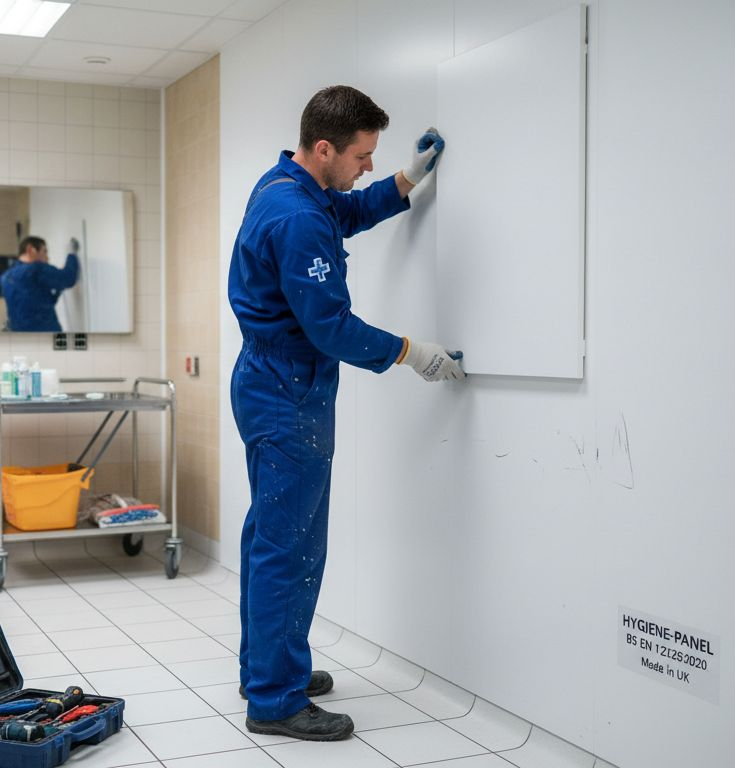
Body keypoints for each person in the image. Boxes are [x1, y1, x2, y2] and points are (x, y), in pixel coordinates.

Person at [229, 85, 466, 742]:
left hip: (273, 381)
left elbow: (347, 211)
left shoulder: (289, 185)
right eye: (362, 156)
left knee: (273, 537)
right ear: (325, 148)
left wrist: (406, 180)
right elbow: (330, 326)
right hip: (287, 390)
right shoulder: (296, 216)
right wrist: (411, 353)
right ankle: (275, 700)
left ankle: (266, 669)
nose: (368, 166)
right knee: (290, 545)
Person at [0, 235, 81, 332]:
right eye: (44, 251)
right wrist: (71, 253)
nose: (47, 258)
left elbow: (40, 300)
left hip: (20, 336)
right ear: (31, 249)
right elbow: (68, 278)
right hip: (44, 333)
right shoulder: (36, 269)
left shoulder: (5, 277)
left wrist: (58, 288)